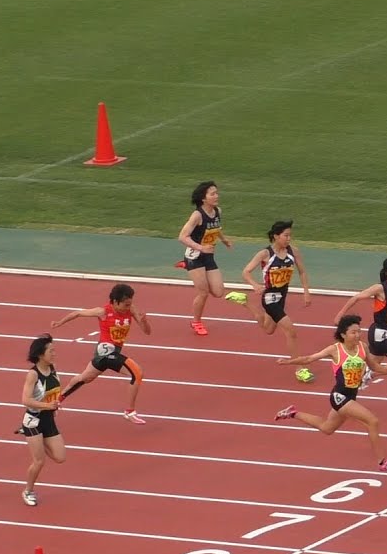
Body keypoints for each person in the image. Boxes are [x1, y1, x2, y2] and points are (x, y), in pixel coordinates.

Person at [272, 315, 387, 471]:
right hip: (340, 396)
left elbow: (374, 366)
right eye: (353, 332)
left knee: (327, 428)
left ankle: (293, 413)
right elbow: (309, 359)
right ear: (343, 334)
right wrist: (289, 362)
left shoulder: (362, 347)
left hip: (352, 395)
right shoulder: (335, 350)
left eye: (358, 331)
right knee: (372, 421)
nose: (357, 335)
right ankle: (383, 462)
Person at [225, 219, 314, 382]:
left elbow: (302, 272)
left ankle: (245, 302)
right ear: (275, 236)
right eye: (286, 236)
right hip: (270, 297)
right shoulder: (265, 254)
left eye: (290, 236)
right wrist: (254, 285)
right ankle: (299, 368)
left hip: (283, 296)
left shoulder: (293, 251)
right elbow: (245, 272)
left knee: (268, 329)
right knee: (291, 331)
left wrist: (306, 291)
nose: (288, 239)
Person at [51, 283, 153, 424]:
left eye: (130, 304)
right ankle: (129, 412)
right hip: (105, 352)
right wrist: (59, 323)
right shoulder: (103, 311)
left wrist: (144, 322)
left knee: (84, 378)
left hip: (107, 356)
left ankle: (56, 401)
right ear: (115, 302)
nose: (128, 308)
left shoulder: (131, 310)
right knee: (137, 373)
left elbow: (147, 332)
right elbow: (78, 313)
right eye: (125, 305)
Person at [13, 334, 67, 506]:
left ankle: (33, 437)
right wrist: (47, 406)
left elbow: (53, 389)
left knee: (60, 457)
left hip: (48, 418)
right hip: (33, 420)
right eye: (51, 351)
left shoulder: (53, 368)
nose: (54, 353)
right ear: (40, 354)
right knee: (39, 461)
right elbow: (25, 400)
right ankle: (28, 491)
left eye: (54, 350)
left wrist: (55, 403)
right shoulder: (33, 375)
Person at [175, 180, 234, 336]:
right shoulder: (197, 215)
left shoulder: (217, 211)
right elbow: (182, 237)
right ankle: (196, 322)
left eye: (216, 193)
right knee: (203, 292)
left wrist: (223, 239)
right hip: (195, 256)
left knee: (219, 291)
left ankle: (186, 265)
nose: (216, 196)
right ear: (203, 198)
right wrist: (201, 248)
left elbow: (215, 227)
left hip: (208, 257)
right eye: (212, 193)